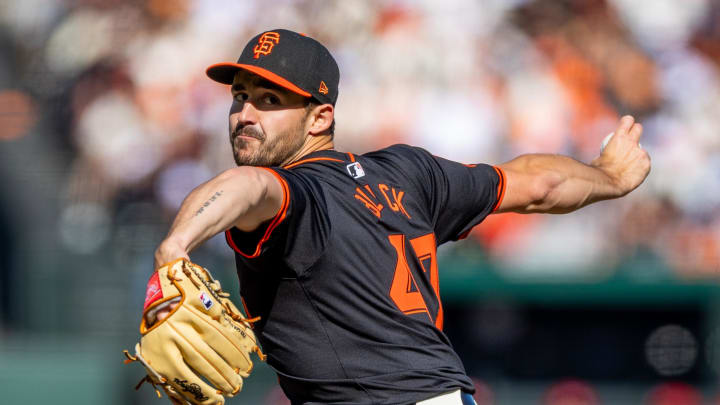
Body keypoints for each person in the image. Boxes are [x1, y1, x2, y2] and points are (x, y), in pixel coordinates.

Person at [152, 29, 650, 405]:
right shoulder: (409, 175)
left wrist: (174, 248)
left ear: (321, 117)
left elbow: (248, 186)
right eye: (240, 95)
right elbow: (539, 183)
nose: (245, 114)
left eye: (270, 100)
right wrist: (608, 175)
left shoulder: (294, 193)